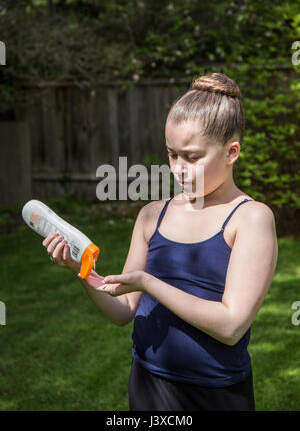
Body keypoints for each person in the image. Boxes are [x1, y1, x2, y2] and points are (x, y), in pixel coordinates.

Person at [43, 72, 278, 411]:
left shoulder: (250, 217)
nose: (178, 169)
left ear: (231, 152)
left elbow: (231, 326)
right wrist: (83, 271)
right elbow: (123, 311)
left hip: (215, 393)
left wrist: (149, 283)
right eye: (172, 154)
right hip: (148, 384)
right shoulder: (153, 215)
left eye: (192, 157)